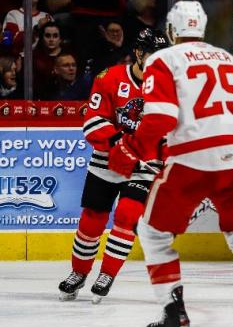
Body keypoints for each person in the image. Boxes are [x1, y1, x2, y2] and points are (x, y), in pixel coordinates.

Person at [107, 1, 233, 327]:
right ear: (202, 28)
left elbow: (160, 118)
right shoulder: (228, 60)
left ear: (171, 31)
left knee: (152, 232)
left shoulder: (163, 59)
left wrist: (131, 149)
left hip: (193, 155)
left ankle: (173, 313)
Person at [57, 28, 169, 304]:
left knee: (127, 217)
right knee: (92, 221)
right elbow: (93, 121)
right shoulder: (110, 78)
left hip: (143, 166)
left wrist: (166, 155)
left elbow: (173, 130)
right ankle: (79, 272)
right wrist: (120, 144)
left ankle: (107, 274)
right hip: (107, 161)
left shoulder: (171, 86)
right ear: (140, 53)